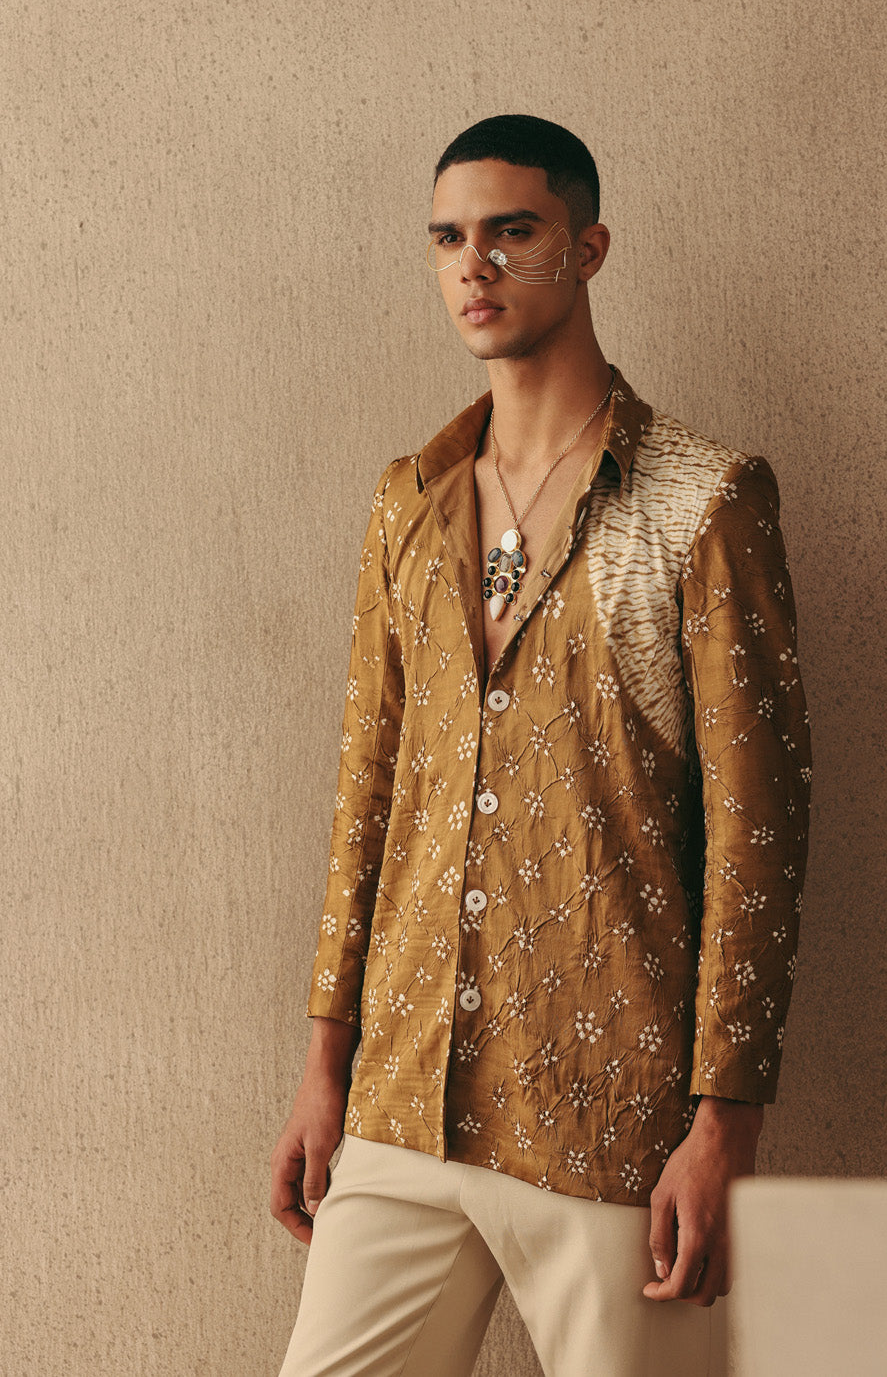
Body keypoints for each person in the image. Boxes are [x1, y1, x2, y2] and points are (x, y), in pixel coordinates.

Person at [270, 114, 811, 1377]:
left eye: (512, 231)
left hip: (611, 1114)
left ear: (587, 247)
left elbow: (759, 837)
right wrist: (323, 1062)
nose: (476, 264)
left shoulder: (702, 499)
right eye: (449, 238)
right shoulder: (409, 501)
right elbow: (368, 790)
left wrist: (725, 1123)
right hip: (403, 1096)